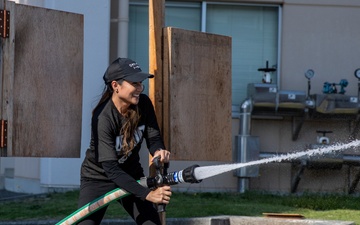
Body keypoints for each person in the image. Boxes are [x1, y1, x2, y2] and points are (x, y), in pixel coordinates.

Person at [77, 57, 172, 225]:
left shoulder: (143, 103)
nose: (140, 88)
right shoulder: (103, 117)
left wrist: (158, 151)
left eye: (141, 83)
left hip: (130, 174)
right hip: (98, 178)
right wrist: (148, 194)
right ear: (115, 86)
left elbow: (154, 138)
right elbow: (111, 169)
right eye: (134, 83)